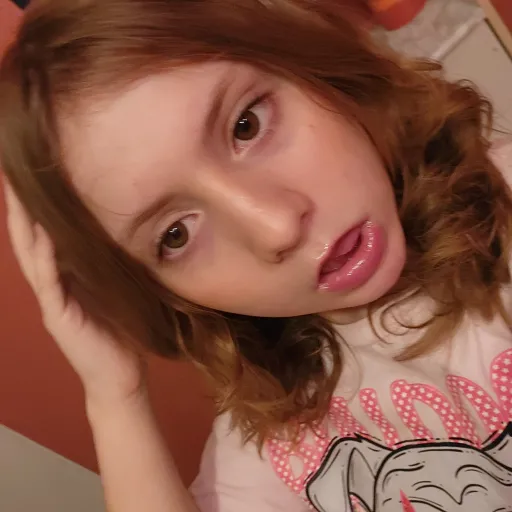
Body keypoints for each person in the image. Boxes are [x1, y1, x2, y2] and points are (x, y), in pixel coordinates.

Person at [1, 0, 512, 510]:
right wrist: (115, 397)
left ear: (305, 64)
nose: (277, 227)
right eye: (176, 234)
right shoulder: (274, 443)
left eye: (246, 125)